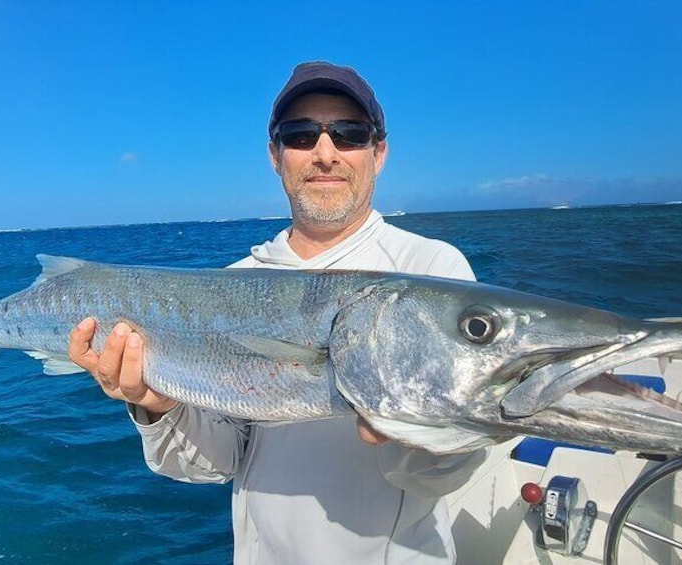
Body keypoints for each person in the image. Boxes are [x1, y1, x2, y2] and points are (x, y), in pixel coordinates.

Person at [69, 61, 483, 564]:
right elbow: (216, 462)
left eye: (350, 134)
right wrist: (156, 406)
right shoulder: (235, 280)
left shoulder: (430, 270)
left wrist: (420, 430)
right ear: (275, 155)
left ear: (379, 153)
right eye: (301, 135)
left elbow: (437, 476)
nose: (325, 153)